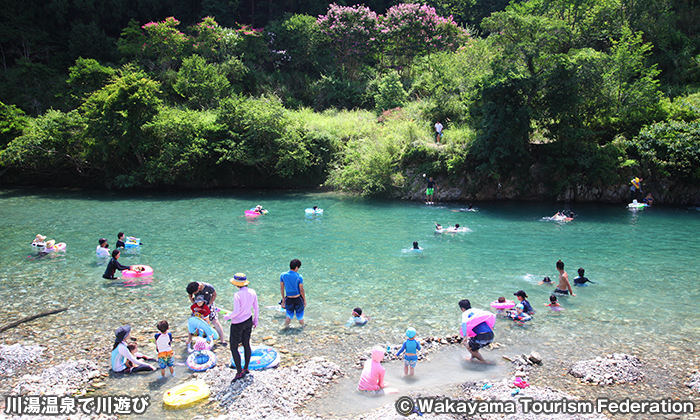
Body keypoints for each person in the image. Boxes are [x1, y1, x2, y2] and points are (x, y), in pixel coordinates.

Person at [224, 273, 259, 382]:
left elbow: (236, 312)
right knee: (246, 344)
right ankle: (246, 368)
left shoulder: (237, 295)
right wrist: (255, 320)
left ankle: (239, 372)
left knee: (234, 347)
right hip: (248, 320)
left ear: (236, 284)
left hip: (238, 323)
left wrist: (227, 317)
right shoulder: (252, 292)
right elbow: (256, 307)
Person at [186, 281, 226, 346]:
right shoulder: (192, 288)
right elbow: (190, 295)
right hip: (198, 305)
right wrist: (194, 303)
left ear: (198, 288)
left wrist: (210, 304)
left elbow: (214, 294)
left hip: (208, 304)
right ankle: (189, 340)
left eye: (194, 292)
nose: (193, 293)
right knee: (192, 321)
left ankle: (223, 340)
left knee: (215, 321)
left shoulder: (208, 287)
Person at [280, 259, 306, 328]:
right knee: (300, 316)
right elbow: (301, 290)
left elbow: (282, 288)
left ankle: (285, 327)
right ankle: (303, 327)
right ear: (296, 267)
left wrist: (283, 299)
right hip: (297, 299)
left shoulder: (283, 275)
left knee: (288, 316)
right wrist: (304, 300)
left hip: (289, 299)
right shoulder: (299, 276)